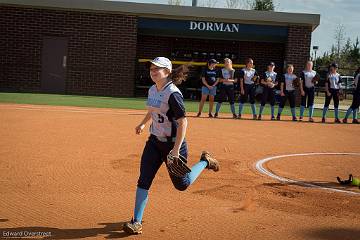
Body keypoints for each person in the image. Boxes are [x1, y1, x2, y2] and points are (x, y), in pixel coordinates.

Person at [123, 57, 220, 235]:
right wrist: (143, 123)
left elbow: (183, 123)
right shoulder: (153, 89)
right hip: (154, 143)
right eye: (151, 68)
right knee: (144, 179)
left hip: (173, 145)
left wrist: (175, 150)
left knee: (182, 184)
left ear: (167, 72)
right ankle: (136, 222)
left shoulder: (173, 94)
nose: (152, 71)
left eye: (157, 69)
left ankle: (205, 161)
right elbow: (153, 110)